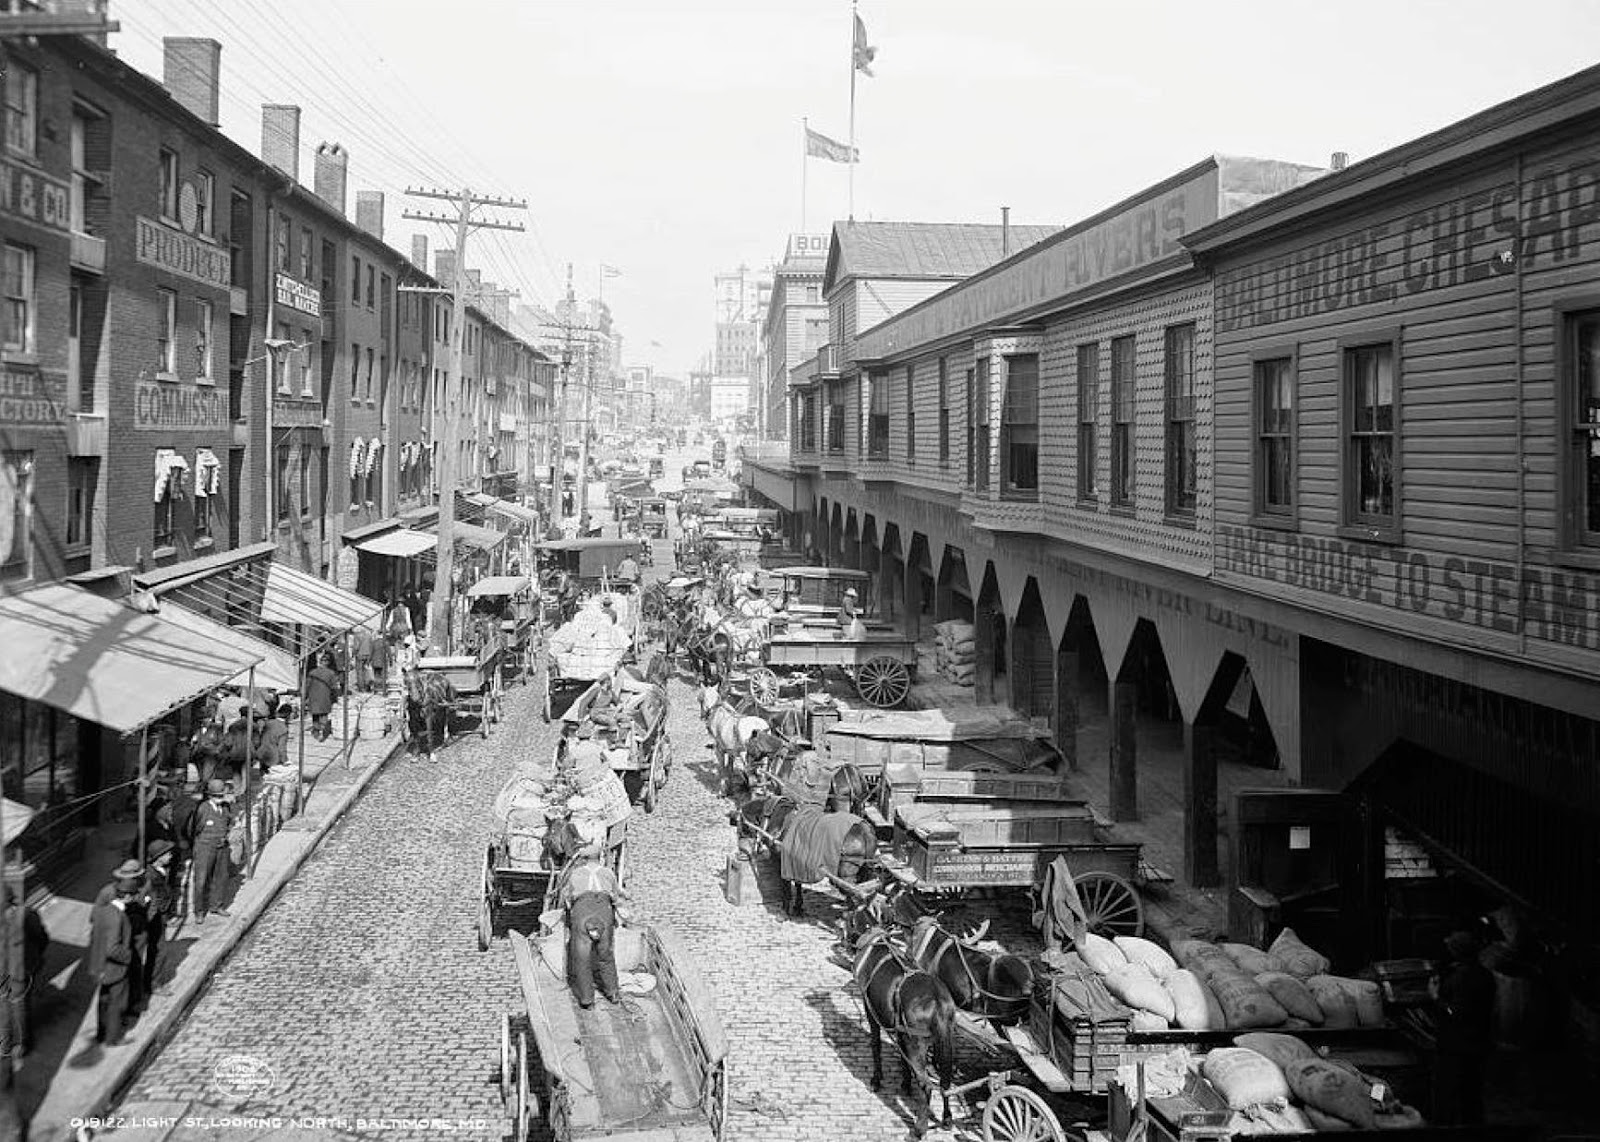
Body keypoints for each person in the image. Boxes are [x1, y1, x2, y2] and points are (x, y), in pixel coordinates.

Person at [1432, 929, 1495, 1125]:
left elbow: (1455, 1012)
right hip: (1479, 1042)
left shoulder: (1462, 978)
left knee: (1453, 1090)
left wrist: (1436, 997)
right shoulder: (1485, 975)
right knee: (1473, 1091)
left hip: (1458, 1044)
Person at [557, 848, 627, 1009]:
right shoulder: (608, 873)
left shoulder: (575, 874)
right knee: (606, 954)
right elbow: (615, 897)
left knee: (582, 958)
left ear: (583, 859)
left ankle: (587, 1000)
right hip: (604, 911)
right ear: (599, 858)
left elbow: (567, 898)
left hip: (582, 913)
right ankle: (613, 993)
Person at [86, 861, 139, 1045]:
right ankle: (113, 1037)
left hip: (98, 966)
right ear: (127, 896)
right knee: (117, 1002)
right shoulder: (118, 917)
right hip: (115, 968)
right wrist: (129, 957)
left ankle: (101, 1034)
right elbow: (113, 948)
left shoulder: (102, 911)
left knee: (103, 1000)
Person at [188, 779, 233, 925]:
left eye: (222, 796)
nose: (220, 799)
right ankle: (199, 911)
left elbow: (228, 823)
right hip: (205, 848)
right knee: (201, 880)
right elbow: (194, 829)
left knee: (221, 877)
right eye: (217, 796)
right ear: (210, 796)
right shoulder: (202, 809)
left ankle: (217, 905)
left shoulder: (225, 808)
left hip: (222, 846)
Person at [305, 653, 341, 742]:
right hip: (325, 697)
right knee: (324, 715)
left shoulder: (312, 672)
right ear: (328, 663)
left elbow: (307, 686)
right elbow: (334, 687)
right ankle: (322, 733)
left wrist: (305, 697)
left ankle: (316, 732)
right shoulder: (331, 673)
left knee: (315, 715)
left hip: (313, 697)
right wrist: (336, 698)